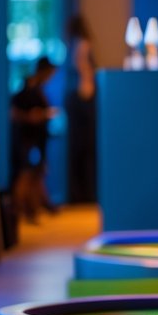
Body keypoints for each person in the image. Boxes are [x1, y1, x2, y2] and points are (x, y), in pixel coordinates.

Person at [11, 57, 59, 223]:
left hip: (36, 138)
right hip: (28, 138)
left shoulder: (37, 88)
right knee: (26, 174)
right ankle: (20, 209)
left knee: (36, 172)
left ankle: (36, 207)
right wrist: (31, 117)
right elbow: (15, 111)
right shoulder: (29, 88)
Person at [65, 14, 97, 203]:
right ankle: (83, 194)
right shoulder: (84, 44)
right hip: (85, 98)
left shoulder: (79, 46)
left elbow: (82, 71)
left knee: (81, 150)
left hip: (82, 97)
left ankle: (81, 194)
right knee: (85, 151)